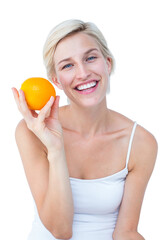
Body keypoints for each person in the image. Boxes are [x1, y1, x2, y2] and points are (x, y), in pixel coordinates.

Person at [12, 19, 158, 240]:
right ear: (56, 80)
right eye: (67, 65)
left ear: (107, 63)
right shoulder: (32, 132)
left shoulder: (140, 142)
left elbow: (126, 231)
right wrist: (55, 147)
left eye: (90, 58)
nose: (83, 73)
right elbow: (61, 230)